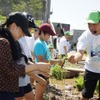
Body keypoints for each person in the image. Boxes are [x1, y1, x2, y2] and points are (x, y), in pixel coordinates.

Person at [0, 12, 50, 100]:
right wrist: (37, 66)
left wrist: (38, 70)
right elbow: (10, 69)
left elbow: (22, 61)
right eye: (22, 31)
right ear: (13, 26)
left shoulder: (13, 42)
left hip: (8, 90)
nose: (22, 35)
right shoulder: (3, 42)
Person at [68, 10, 100, 100]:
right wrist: (75, 58)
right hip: (91, 69)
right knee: (86, 95)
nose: (91, 27)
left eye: (95, 24)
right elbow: (80, 52)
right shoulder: (85, 35)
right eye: (89, 24)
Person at [33, 23, 56, 100]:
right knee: (38, 97)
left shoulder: (44, 43)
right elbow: (40, 60)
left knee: (41, 96)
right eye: (48, 34)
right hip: (40, 72)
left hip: (44, 71)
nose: (49, 36)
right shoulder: (39, 43)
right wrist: (54, 62)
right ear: (42, 32)